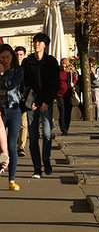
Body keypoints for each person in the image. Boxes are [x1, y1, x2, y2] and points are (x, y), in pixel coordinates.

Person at [21, 32, 59, 177]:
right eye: (35, 41)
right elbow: (24, 83)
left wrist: (47, 102)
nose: (36, 44)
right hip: (32, 103)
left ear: (45, 45)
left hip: (46, 103)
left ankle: (46, 160)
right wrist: (29, 102)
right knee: (34, 136)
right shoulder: (28, 61)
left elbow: (55, 83)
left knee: (48, 134)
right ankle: (37, 167)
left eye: (40, 41)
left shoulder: (51, 62)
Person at [0, 45, 21, 190]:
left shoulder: (18, 71)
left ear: (12, 57)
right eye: (2, 58)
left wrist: (1, 75)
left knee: (12, 145)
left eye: (7, 57)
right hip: (0, 112)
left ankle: (11, 180)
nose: (5, 60)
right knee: (1, 146)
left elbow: (11, 85)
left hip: (14, 110)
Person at [56, 57, 78, 135]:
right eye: (62, 65)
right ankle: (63, 129)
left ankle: (66, 129)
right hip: (59, 94)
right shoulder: (58, 72)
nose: (63, 67)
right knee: (62, 111)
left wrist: (73, 84)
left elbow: (75, 79)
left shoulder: (70, 72)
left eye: (65, 66)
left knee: (68, 112)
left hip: (68, 94)